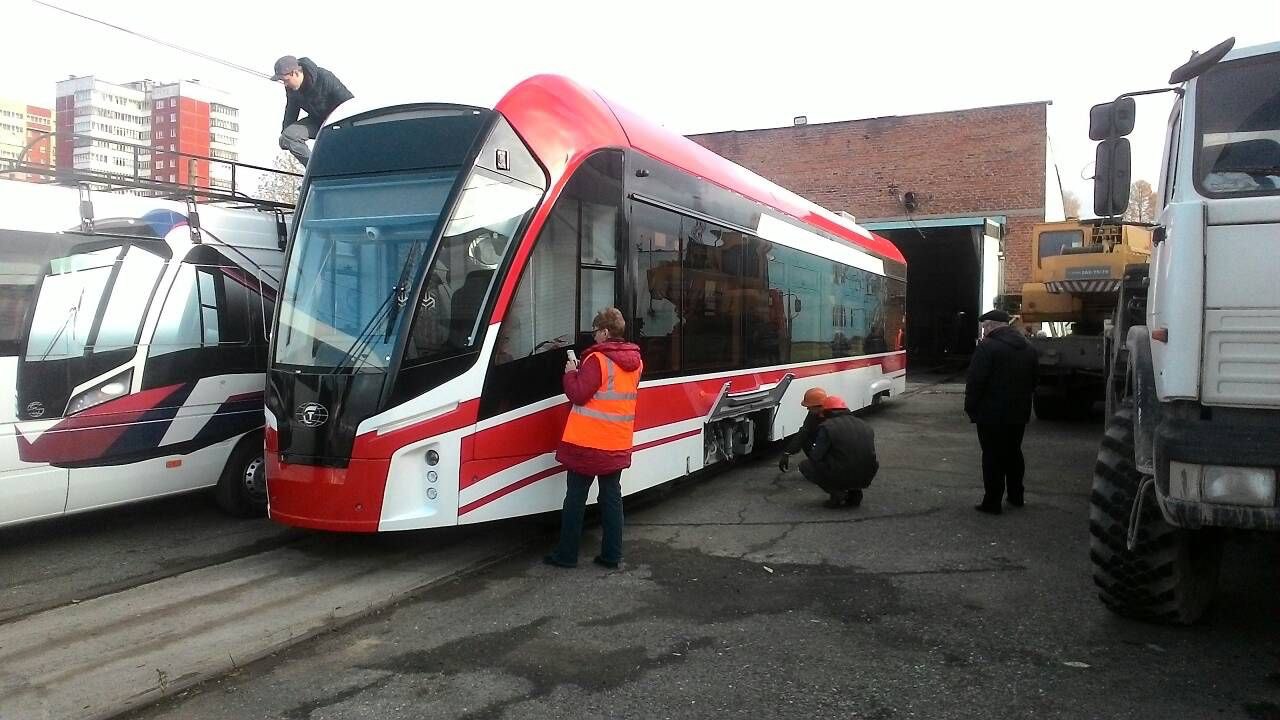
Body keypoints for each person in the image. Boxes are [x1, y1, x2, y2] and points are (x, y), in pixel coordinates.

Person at [545, 308, 644, 569]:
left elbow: (578, 394)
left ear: (605, 332)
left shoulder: (597, 360)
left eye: (596, 330)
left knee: (576, 498)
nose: (594, 335)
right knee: (611, 498)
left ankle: (566, 555)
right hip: (617, 442)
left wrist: (570, 373)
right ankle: (612, 555)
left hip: (588, 444)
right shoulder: (636, 362)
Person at [965, 309, 1038, 514]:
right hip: (1018, 413)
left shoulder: (987, 347)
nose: (983, 330)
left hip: (991, 415)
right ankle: (1016, 496)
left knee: (992, 456)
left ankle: (992, 502)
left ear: (991, 325)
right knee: (1014, 453)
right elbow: (1034, 381)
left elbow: (976, 381)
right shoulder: (1028, 348)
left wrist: (971, 407)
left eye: (984, 326)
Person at [799, 395, 880, 508]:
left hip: (841, 473)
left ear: (826, 411)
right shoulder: (864, 425)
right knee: (852, 459)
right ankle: (855, 492)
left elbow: (816, 456)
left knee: (806, 465)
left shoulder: (827, 427)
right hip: (867, 474)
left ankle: (837, 492)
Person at [272, 55, 353, 166]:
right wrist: (285, 137)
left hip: (337, 122)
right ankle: (315, 167)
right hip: (316, 122)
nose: (285, 84)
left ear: (295, 73)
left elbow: (348, 104)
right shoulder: (291, 89)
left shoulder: (324, 77)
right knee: (288, 136)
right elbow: (291, 110)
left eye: (286, 80)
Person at [778, 387, 828, 472]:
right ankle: (818, 465)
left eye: (809, 407)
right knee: (806, 439)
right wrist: (787, 452)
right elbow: (804, 432)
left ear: (818, 406)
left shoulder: (834, 417)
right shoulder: (813, 414)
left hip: (837, 451)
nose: (807, 409)